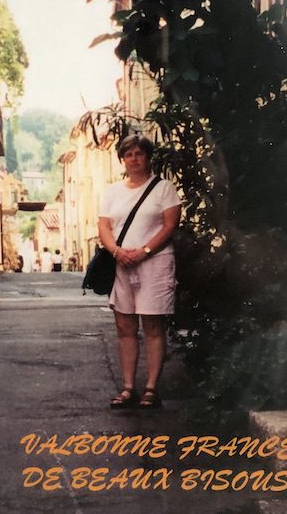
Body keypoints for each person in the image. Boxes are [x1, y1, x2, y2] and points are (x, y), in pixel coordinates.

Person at [98, 134, 182, 409]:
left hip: (155, 263)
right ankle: (127, 388)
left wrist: (144, 251)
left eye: (139, 153)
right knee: (124, 326)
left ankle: (150, 388)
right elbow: (104, 227)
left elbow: (170, 226)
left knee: (153, 326)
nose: (134, 159)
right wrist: (117, 252)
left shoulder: (163, 188)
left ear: (148, 157)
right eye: (128, 154)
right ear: (122, 159)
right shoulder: (112, 192)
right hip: (122, 262)